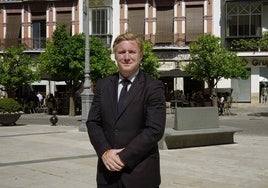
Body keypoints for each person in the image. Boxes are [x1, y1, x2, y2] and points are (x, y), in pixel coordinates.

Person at [86, 33, 166, 188]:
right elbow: (93, 122)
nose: (127, 57)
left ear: (141, 55)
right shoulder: (103, 85)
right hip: (107, 174)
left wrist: (123, 157)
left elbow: (155, 130)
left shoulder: (153, 87)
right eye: (122, 52)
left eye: (132, 52)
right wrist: (105, 152)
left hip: (140, 174)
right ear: (115, 56)